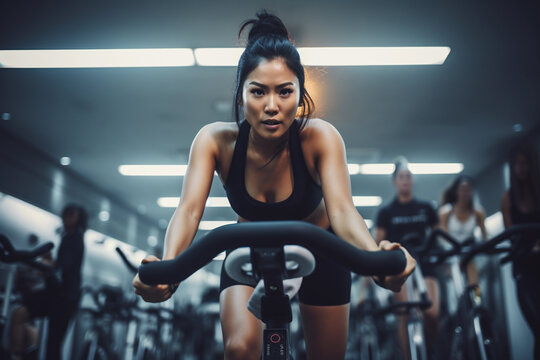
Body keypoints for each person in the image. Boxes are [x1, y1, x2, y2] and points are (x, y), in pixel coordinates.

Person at [132, 11, 416, 360]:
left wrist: (375, 261)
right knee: (239, 349)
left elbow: (342, 211)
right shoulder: (214, 141)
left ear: (300, 94)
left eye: (284, 92)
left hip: (321, 255)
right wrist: (168, 270)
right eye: (258, 91)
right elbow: (189, 210)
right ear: (241, 95)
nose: (271, 106)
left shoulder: (320, 138)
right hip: (248, 255)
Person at [375, 158, 439, 359]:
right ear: (395, 181)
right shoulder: (386, 211)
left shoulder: (426, 207)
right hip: (400, 265)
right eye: (401, 177)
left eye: (408, 177)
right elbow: (379, 242)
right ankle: (407, 355)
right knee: (405, 313)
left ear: (412, 180)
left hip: (425, 264)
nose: (405, 180)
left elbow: (438, 236)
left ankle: (428, 350)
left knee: (431, 313)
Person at [9, 204, 87, 360]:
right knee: (20, 314)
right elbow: (61, 267)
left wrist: (49, 265)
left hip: (64, 298)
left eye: (71, 215)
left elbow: (63, 266)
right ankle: (20, 354)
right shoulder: (69, 238)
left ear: (79, 219)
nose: (66, 218)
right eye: (66, 214)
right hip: (58, 295)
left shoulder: (75, 239)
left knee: (53, 344)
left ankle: (20, 354)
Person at [500, 143, 540, 359]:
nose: (522, 168)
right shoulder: (508, 199)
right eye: (518, 164)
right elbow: (511, 233)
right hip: (523, 266)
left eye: (526, 163)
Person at [439, 175, 487, 284]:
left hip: (470, 253)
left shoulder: (478, 212)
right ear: (456, 191)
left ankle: (476, 298)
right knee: (456, 282)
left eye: (468, 189)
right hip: (452, 254)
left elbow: (485, 237)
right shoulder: (446, 212)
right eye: (462, 189)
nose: (465, 193)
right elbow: (443, 239)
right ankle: (460, 298)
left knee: (475, 282)